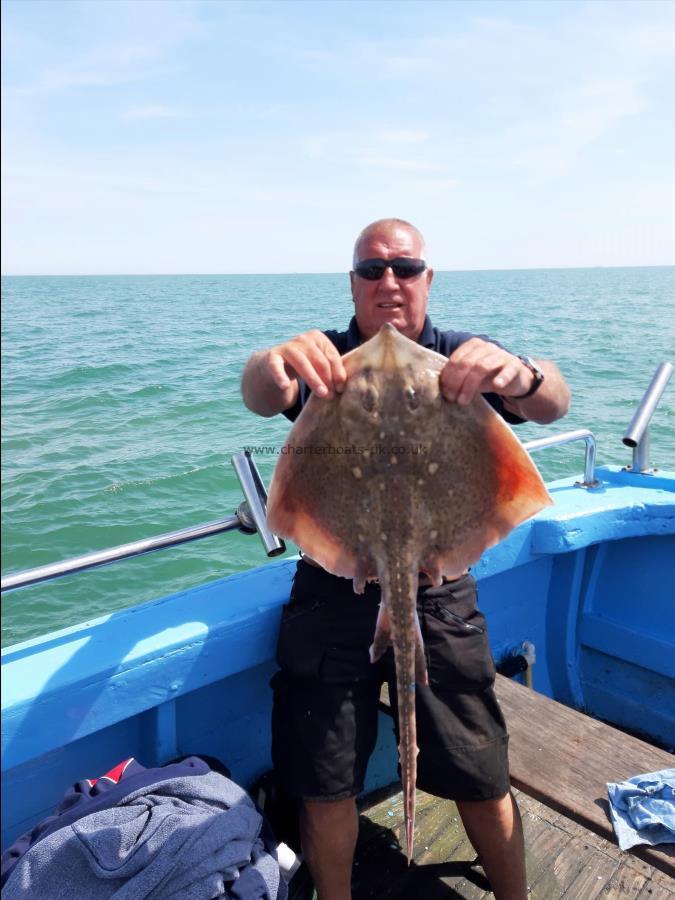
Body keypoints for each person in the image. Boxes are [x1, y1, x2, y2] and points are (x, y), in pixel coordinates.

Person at [241, 219, 570, 900]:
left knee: (480, 766)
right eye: (371, 270)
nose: (388, 281)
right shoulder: (328, 359)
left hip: (439, 582)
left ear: (426, 279)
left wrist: (524, 373)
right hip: (333, 587)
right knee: (325, 778)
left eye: (404, 267)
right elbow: (261, 393)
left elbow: (551, 403)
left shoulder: (458, 356)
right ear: (353, 283)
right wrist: (272, 361)